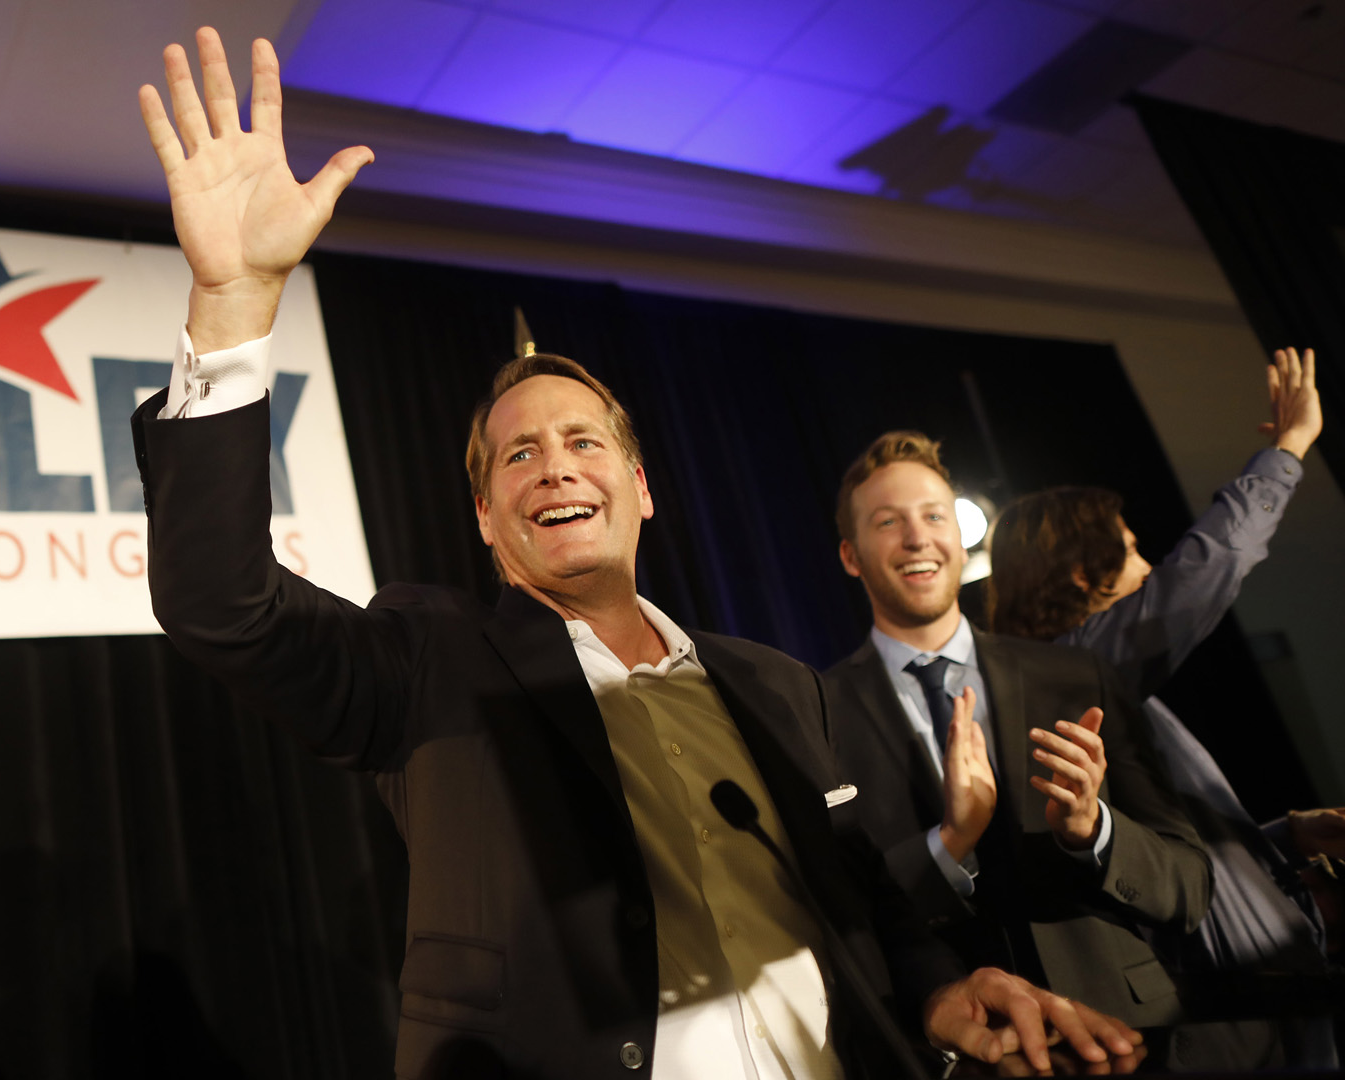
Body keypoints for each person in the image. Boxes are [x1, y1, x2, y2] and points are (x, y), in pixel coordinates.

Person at [132, 27, 1140, 1080]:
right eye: (518, 455)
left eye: (583, 443)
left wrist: (941, 989)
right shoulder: (426, 663)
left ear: (642, 489)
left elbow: (868, 905)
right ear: (486, 518)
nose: (555, 468)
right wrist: (234, 300)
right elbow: (219, 602)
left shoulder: (779, 686)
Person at [988, 347, 1334, 1064]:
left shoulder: (1100, 685)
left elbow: (1174, 857)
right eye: (1134, 550)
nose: (1149, 568)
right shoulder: (1071, 672)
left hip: (1281, 1007)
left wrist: (1285, 836)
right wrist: (1288, 448)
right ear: (1084, 573)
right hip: (1232, 1028)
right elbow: (1205, 572)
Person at [821, 431, 1211, 1029]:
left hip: (1131, 1036)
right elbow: (836, 916)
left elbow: (1188, 885)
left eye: (934, 515)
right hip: (966, 1052)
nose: (918, 537)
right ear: (850, 556)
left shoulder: (1076, 676)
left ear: (959, 533)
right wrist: (948, 843)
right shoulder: (819, 710)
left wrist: (1093, 831)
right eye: (887, 522)